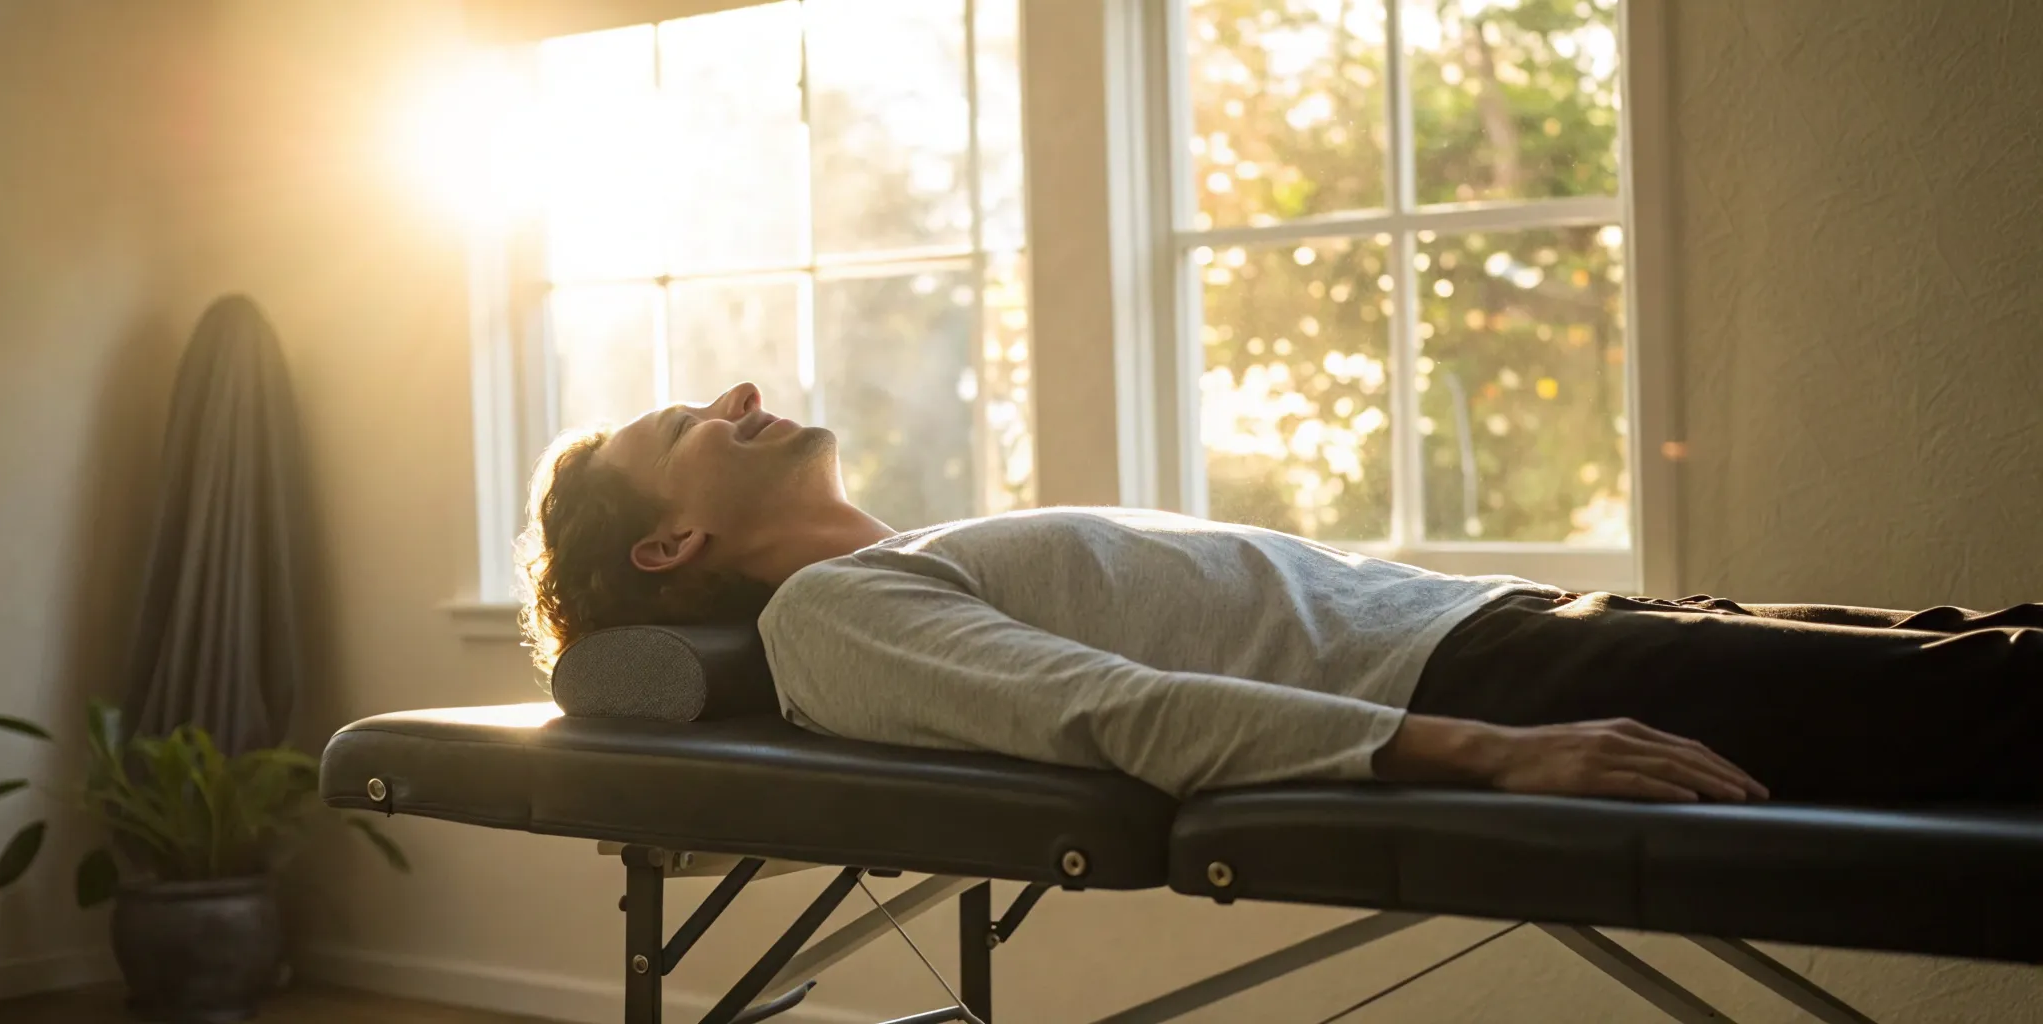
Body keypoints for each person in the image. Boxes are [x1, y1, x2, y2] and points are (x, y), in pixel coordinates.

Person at [514, 382, 2043, 805]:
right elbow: (1116, 715)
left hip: (1502, 630)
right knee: (1995, 702)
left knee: (1986, 652)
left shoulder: (900, 568)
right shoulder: (827, 619)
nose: (738, 393)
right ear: (667, 550)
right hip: (1481, 688)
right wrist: (1500, 753)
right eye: (686, 428)